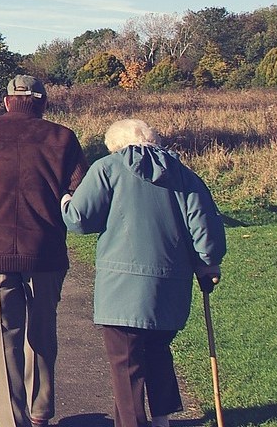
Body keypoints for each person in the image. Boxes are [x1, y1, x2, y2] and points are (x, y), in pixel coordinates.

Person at [61, 119, 227, 427]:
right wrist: (209, 263)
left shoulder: (107, 168)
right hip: (171, 284)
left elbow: (80, 220)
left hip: (121, 286)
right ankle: (161, 418)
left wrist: (65, 199)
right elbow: (206, 232)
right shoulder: (184, 175)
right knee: (158, 350)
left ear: (116, 145)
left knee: (126, 363)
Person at [0, 75, 88, 427]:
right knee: (42, 331)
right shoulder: (62, 137)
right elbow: (82, 196)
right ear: (42, 103)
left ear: (7, 101)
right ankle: (40, 412)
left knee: (0, 342)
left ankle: (12, 421)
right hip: (46, 252)